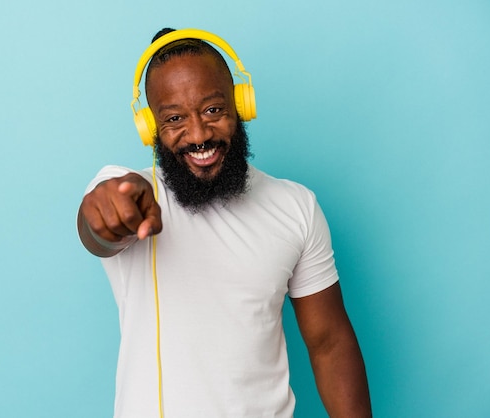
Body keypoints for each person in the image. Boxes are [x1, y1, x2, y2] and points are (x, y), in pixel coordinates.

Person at [77, 27, 371, 418]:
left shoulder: (296, 205)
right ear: (151, 129)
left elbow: (329, 343)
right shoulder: (129, 191)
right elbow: (99, 228)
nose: (198, 134)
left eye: (213, 110)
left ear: (240, 104)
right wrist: (112, 212)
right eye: (175, 118)